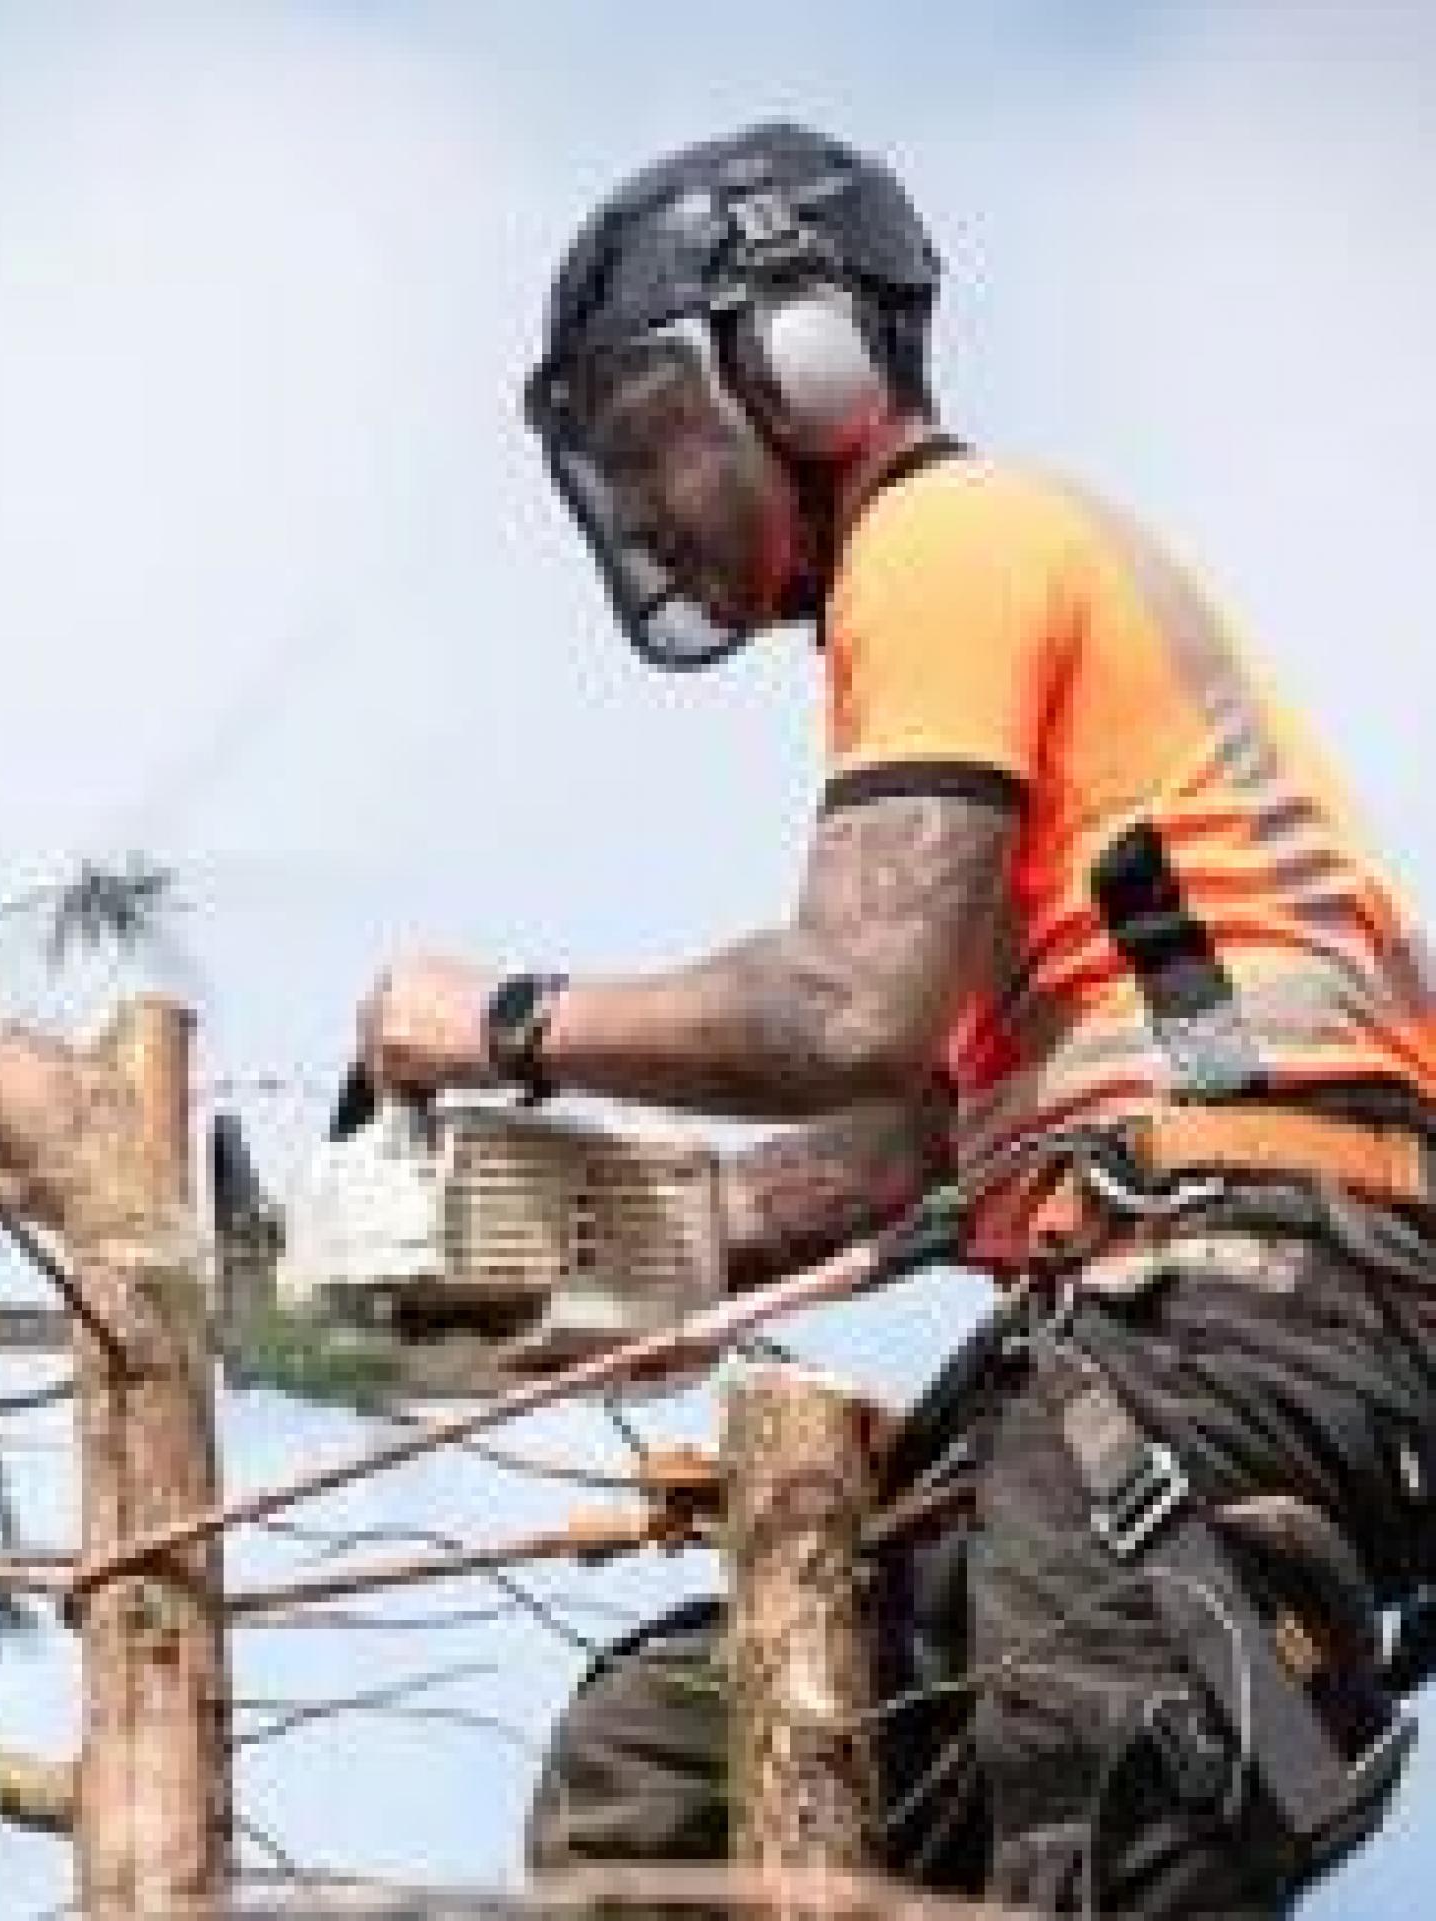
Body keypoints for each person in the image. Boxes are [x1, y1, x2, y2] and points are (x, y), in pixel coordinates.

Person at [354, 120, 1436, 1916]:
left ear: (803, 359)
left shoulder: (955, 542)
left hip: (1258, 1305)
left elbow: (845, 1004)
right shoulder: (1006, 760)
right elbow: (883, 1152)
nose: (644, 507)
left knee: (1080, 1824)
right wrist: (463, 1261)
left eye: (652, 439)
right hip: (1153, 1305)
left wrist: (507, 1020)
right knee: (660, 1771)